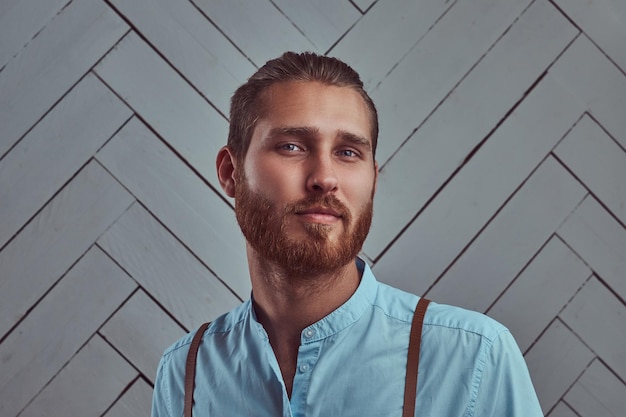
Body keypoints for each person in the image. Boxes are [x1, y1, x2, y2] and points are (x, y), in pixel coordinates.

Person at [151, 51, 543, 416]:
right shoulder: (185, 373)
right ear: (230, 172)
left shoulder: (475, 356)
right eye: (291, 146)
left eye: (348, 152)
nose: (324, 178)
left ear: (373, 179)